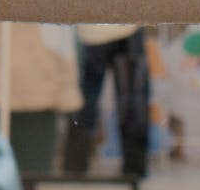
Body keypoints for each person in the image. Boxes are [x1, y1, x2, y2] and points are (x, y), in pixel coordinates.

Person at [64, 25, 157, 179]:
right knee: (132, 102)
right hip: (115, 30)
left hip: (94, 31)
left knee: (85, 101)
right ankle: (134, 170)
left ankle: (74, 169)